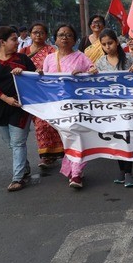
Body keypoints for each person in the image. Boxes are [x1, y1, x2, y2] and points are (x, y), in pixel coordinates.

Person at [0, 26, 37, 192]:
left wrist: (24, 73)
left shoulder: (23, 59)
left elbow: (35, 78)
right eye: (13, 39)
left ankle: (17, 178)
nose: (17, 41)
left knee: (18, 142)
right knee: (11, 143)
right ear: (2, 42)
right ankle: (24, 169)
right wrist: (5, 98)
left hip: (20, 107)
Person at [87, 29, 133, 188]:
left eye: (109, 43)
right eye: (104, 44)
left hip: (128, 106)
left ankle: (129, 172)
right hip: (110, 107)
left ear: (116, 42)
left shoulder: (130, 58)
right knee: (117, 138)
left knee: (127, 137)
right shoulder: (100, 63)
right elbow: (95, 84)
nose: (107, 47)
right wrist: (91, 74)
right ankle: (122, 170)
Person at [42, 24, 94, 188]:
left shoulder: (81, 57)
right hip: (57, 107)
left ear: (75, 39)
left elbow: (94, 70)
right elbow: (43, 81)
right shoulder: (49, 59)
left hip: (78, 106)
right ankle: (73, 168)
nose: (64, 37)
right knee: (67, 138)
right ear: (55, 39)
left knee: (76, 136)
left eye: (68, 35)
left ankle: (76, 174)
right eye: (61, 34)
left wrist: (88, 71)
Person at [19, 23, 65, 168]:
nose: (38, 35)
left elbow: (58, 68)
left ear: (46, 35)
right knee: (39, 124)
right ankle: (45, 156)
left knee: (53, 123)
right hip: (32, 93)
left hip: (50, 92)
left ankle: (59, 152)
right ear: (30, 34)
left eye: (41, 32)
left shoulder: (51, 51)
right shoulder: (24, 51)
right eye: (35, 32)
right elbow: (19, 68)